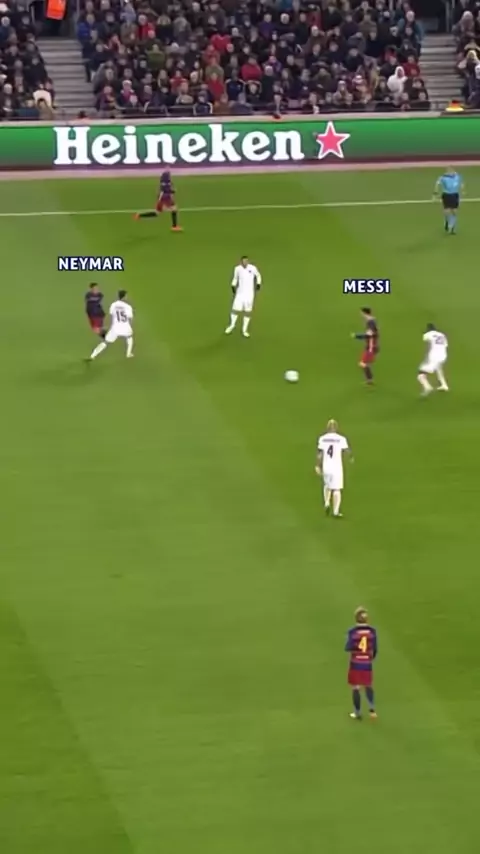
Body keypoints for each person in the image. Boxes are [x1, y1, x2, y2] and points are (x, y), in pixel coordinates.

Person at [315, 418, 352, 518]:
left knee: (327, 485)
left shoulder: (322, 438)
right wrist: (351, 457)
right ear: (336, 428)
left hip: (326, 466)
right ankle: (336, 511)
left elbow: (319, 454)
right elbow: (347, 451)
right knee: (337, 489)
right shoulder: (341, 439)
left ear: (327, 428)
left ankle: (327, 502)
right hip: (337, 467)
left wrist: (318, 465)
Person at [345, 607, 377, 720]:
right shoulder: (372, 631)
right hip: (367, 662)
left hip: (355, 663)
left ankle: (357, 712)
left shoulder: (352, 631)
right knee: (368, 684)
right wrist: (369, 658)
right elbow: (375, 648)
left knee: (356, 687)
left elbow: (348, 647)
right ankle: (372, 709)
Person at [88, 289, 134, 361]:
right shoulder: (128, 307)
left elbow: (111, 314)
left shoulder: (113, 304)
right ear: (124, 296)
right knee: (129, 337)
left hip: (115, 328)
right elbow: (130, 317)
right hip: (125, 326)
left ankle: (93, 355)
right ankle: (128, 354)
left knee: (105, 342)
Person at [225, 256, 262, 338]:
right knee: (235, 309)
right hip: (240, 293)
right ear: (241, 262)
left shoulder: (252, 268)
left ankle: (244, 330)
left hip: (249, 294)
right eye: (243, 261)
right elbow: (235, 278)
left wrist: (258, 284)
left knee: (247, 312)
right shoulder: (237, 269)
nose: (245, 263)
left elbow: (258, 275)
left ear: (248, 261)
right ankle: (232, 325)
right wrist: (233, 285)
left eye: (246, 261)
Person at [417, 323, 449, 396]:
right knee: (438, 368)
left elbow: (426, 340)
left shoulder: (428, 334)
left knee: (420, 374)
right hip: (443, 355)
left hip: (434, 356)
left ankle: (427, 387)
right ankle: (444, 385)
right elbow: (445, 345)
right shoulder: (442, 334)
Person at [351, 307, 379, 386]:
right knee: (364, 363)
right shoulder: (372, 321)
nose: (361, 315)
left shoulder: (371, 322)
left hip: (371, 347)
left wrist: (356, 336)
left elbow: (369, 334)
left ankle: (370, 380)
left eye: (361, 313)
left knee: (363, 363)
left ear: (364, 313)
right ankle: (369, 380)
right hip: (371, 346)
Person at [434, 167, 464, 234]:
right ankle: (447, 222)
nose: (451, 173)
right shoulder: (443, 178)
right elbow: (437, 184)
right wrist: (435, 192)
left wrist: (462, 191)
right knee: (447, 212)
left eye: (452, 171)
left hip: (455, 195)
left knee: (454, 212)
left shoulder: (458, 176)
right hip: (446, 195)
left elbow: (461, 183)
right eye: (449, 171)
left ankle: (453, 228)